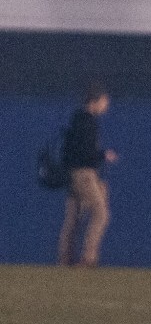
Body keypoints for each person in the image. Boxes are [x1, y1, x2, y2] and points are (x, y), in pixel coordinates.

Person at [58, 82, 117, 267]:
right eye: (104, 101)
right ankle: (88, 258)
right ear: (94, 101)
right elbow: (85, 152)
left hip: (75, 174)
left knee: (73, 218)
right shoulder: (88, 122)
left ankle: (65, 258)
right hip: (84, 174)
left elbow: (71, 151)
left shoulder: (77, 120)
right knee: (101, 214)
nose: (106, 106)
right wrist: (103, 154)